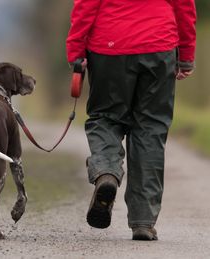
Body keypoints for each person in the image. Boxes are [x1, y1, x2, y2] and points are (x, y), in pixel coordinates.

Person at [66, 0, 196, 240]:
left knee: (105, 117)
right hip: (159, 45)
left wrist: (75, 49)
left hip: (109, 46)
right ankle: (143, 221)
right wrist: (186, 53)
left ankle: (107, 172)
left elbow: (85, 4)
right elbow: (184, 6)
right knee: (151, 128)